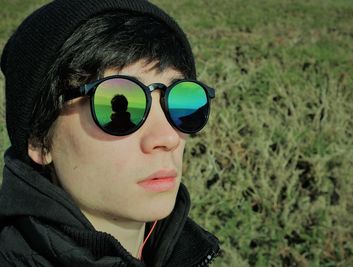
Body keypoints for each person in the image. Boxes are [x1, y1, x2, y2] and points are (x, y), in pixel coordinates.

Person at [0, 0, 220, 266]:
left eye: (181, 100)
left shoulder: (181, 250)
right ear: (39, 140)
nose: (167, 138)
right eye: (121, 104)